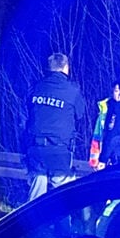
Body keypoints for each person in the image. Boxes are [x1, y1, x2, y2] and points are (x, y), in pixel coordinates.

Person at [25, 53, 86, 201]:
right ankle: (63, 224)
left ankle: (34, 224)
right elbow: (80, 114)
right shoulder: (72, 90)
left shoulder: (37, 87)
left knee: (35, 200)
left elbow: (28, 110)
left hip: (36, 149)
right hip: (59, 151)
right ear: (66, 67)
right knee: (62, 200)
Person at [88, 81, 120, 169]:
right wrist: (94, 159)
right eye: (117, 91)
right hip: (103, 154)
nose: (119, 94)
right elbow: (97, 134)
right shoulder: (104, 108)